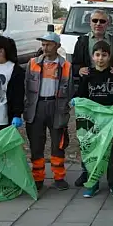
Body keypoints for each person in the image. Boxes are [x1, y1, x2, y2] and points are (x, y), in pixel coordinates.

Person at [75, 40, 113, 198]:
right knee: (92, 151)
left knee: (112, 152)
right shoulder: (88, 75)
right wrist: (75, 101)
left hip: (109, 121)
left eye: (104, 55)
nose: (100, 58)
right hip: (92, 121)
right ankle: (93, 183)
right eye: (97, 55)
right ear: (92, 56)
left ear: (109, 56)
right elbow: (81, 95)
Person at [23, 30, 73, 191]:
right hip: (37, 106)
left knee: (58, 143)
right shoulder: (33, 63)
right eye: (43, 44)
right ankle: (38, 178)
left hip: (56, 106)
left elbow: (70, 88)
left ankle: (59, 177)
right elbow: (25, 86)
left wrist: (66, 107)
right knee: (36, 144)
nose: (45, 48)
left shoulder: (65, 65)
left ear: (57, 46)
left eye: (49, 44)